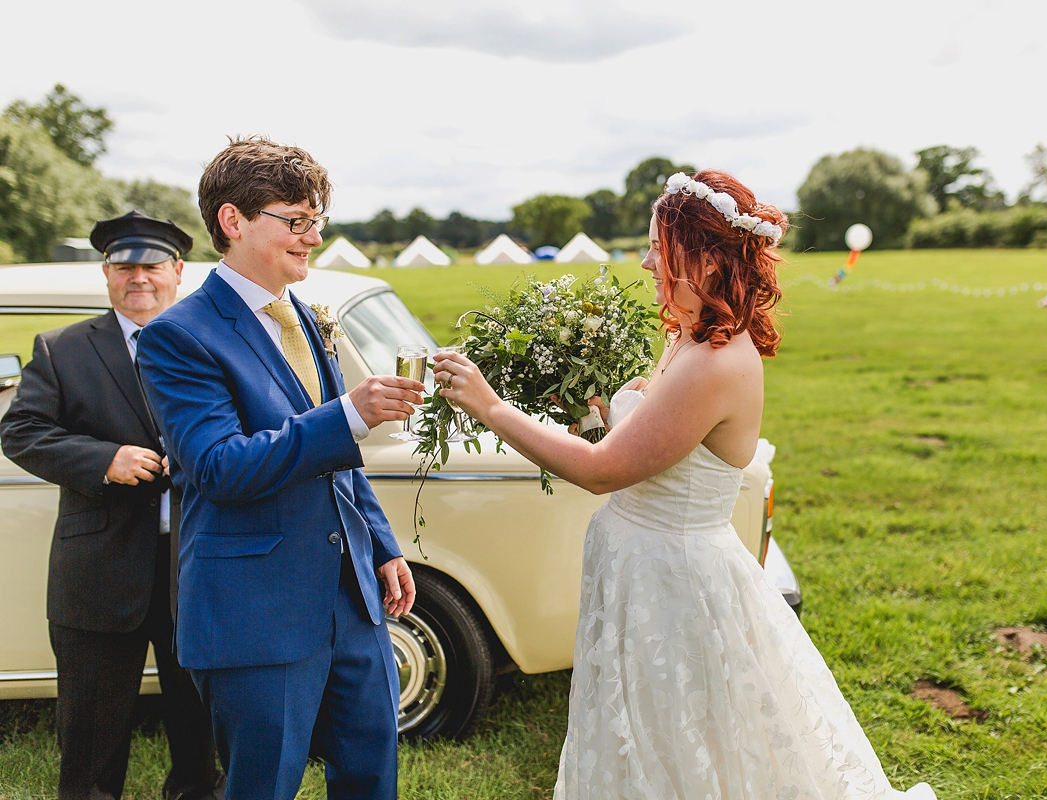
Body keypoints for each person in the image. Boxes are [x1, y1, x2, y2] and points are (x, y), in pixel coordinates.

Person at [434, 170, 937, 799]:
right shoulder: (684, 338)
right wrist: (595, 413)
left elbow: (602, 471)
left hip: (674, 581)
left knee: (678, 739)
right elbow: (644, 438)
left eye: (657, 248)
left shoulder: (714, 362)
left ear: (701, 257)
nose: (646, 261)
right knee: (634, 733)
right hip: (637, 565)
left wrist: (490, 407)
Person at [135, 137, 420, 800]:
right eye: (296, 220)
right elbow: (218, 466)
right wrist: (349, 415)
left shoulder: (297, 314)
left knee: (372, 777)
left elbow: (335, 464)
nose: (313, 237)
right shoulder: (179, 335)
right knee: (263, 787)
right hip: (256, 610)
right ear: (233, 222)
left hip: (351, 601)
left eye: (317, 220)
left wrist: (379, 544)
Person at [0, 211, 223, 800]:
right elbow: (20, 432)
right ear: (106, 274)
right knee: (90, 736)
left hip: (198, 564)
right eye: (124, 267)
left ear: (178, 271)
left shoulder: (215, 345)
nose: (138, 278)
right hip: (98, 571)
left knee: (201, 728)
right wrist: (104, 459)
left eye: (151, 266)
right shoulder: (62, 349)